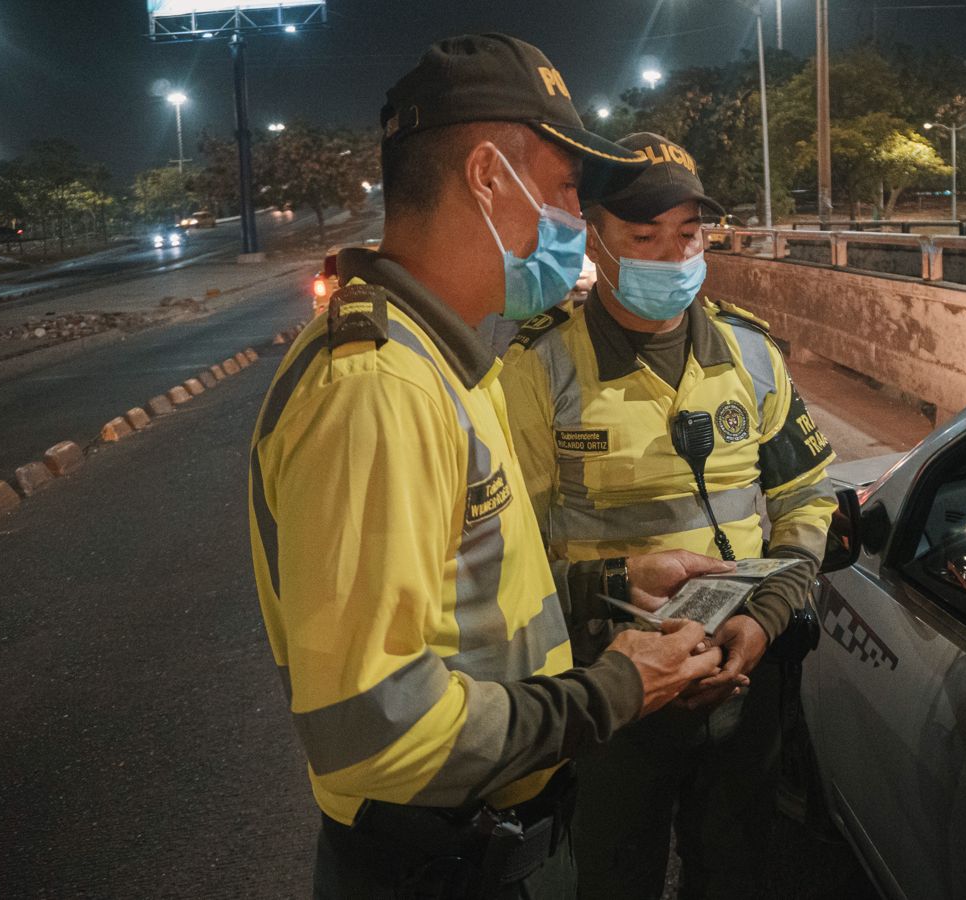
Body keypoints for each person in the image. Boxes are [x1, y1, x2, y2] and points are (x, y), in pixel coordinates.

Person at [247, 35, 735, 898]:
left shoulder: (442, 356)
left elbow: (464, 595)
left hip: (489, 843)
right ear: (484, 175)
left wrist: (610, 585)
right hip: (437, 862)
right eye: (559, 192)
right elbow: (376, 729)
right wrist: (614, 690)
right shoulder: (377, 389)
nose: (575, 223)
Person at [498, 132, 838, 900]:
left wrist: (772, 611)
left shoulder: (751, 355)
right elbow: (494, 554)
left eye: (688, 234)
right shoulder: (541, 367)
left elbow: (807, 499)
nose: (672, 254)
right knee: (615, 879)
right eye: (643, 235)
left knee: (741, 873)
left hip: (742, 681)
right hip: (610, 693)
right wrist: (611, 588)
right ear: (597, 238)